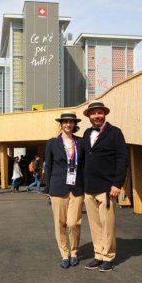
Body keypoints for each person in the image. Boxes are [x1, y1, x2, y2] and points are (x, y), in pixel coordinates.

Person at [82, 101, 128, 272]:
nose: (96, 116)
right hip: (89, 188)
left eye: (99, 113)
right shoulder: (86, 133)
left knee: (107, 225)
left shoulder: (115, 133)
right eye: (93, 114)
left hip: (107, 189)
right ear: (89, 116)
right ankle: (98, 254)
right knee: (94, 225)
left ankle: (108, 256)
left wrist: (117, 183)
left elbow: (122, 159)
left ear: (104, 114)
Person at [44, 111, 85, 269]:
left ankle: (74, 251)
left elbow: (84, 166)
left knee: (73, 223)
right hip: (57, 186)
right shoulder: (52, 143)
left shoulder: (81, 142)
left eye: (71, 122)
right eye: (65, 122)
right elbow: (48, 166)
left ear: (75, 124)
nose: (68, 124)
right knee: (59, 223)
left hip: (77, 187)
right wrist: (47, 187)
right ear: (61, 124)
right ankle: (65, 254)